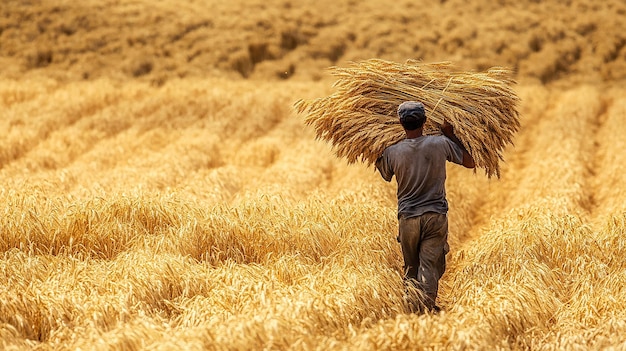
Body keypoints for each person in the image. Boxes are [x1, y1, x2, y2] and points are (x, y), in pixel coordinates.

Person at [375, 101, 475, 313]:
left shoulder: (393, 151)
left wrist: (375, 148)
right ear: (426, 121)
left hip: (408, 218)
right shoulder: (440, 143)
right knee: (430, 266)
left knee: (411, 267)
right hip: (435, 215)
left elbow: (385, 174)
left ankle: (413, 310)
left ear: (400, 123)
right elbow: (470, 162)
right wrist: (450, 134)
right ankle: (427, 310)